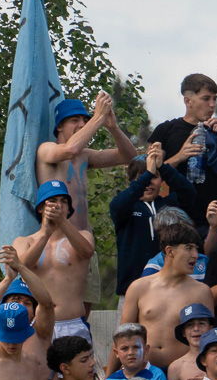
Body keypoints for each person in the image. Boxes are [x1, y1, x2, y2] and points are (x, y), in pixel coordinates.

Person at [150, 73, 217, 223]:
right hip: (178, 218)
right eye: (206, 98)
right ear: (188, 101)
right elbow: (150, 176)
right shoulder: (166, 130)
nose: (212, 104)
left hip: (215, 216)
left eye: (215, 99)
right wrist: (179, 156)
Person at [121, 221, 216, 373]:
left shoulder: (202, 292)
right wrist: (109, 376)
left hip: (185, 374)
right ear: (170, 251)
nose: (196, 255)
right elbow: (123, 336)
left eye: (196, 249)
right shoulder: (138, 287)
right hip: (144, 372)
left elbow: (209, 339)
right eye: (189, 248)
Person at [36, 92, 139, 228]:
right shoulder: (46, 149)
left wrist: (113, 127)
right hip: (57, 240)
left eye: (85, 121)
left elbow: (131, 158)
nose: (82, 125)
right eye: (75, 120)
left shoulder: (85, 156)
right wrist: (98, 117)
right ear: (60, 126)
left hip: (84, 238)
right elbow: (70, 149)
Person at [14, 180, 97, 342]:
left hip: (72, 323)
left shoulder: (84, 236)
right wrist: (45, 234)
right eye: (52, 201)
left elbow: (87, 252)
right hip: (36, 324)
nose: (58, 205)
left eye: (63, 201)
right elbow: (21, 266)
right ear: (40, 208)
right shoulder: (24, 241)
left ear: (68, 209)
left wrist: (62, 222)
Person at [110, 144, 189, 294]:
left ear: (161, 180)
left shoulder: (169, 203)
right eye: (142, 178)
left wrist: (163, 167)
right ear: (131, 183)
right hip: (132, 289)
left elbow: (188, 193)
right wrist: (149, 173)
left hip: (170, 288)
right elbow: (118, 205)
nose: (148, 183)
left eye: (154, 177)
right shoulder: (125, 207)